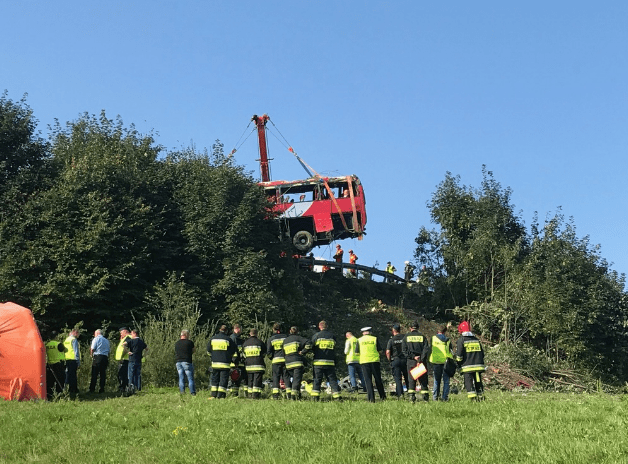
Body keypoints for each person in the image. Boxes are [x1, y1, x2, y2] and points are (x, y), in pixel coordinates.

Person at [311, 321, 342, 401]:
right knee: (332, 380)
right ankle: (337, 397)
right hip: (330, 362)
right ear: (327, 326)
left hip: (318, 362)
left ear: (319, 327)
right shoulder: (332, 336)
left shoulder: (316, 336)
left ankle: (315, 397)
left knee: (317, 379)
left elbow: (312, 347)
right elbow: (334, 347)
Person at [455, 321, 486, 401]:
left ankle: (473, 398)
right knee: (478, 381)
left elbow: (459, 355)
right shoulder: (476, 340)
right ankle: (481, 396)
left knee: (468, 381)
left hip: (467, 366)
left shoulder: (461, 340)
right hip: (478, 366)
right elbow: (482, 354)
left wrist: (458, 362)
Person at [355, 327, 386, 403]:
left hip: (364, 362)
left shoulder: (359, 340)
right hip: (374, 361)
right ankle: (383, 397)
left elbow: (356, 353)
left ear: (363, 333)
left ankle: (371, 399)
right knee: (378, 379)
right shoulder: (374, 339)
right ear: (370, 332)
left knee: (368, 380)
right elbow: (380, 351)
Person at [402, 320, 430, 403]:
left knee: (411, 380)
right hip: (421, 362)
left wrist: (413, 357)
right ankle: (425, 398)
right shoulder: (423, 337)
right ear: (418, 328)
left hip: (411, 361)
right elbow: (426, 349)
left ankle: (412, 398)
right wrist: (420, 358)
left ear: (410, 328)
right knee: (423, 380)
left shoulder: (406, 337)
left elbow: (404, 351)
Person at [207, 325, 238, 399]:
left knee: (215, 379)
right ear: (226, 331)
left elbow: (208, 351)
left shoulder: (213, 339)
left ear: (219, 329)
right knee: (223, 380)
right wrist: (232, 360)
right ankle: (220, 396)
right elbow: (234, 352)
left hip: (215, 364)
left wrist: (213, 357)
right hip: (225, 364)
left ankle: (213, 395)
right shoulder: (228, 339)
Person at [283, 326, 312, 400]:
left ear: (290, 331)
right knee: (296, 379)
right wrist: (303, 352)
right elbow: (309, 344)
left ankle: (290, 394)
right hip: (297, 362)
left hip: (288, 364)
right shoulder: (299, 338)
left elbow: (283, 353)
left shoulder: (285, 341)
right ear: (297, 331)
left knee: (290, 379)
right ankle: (294, 396)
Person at [429, 325, 454, 401]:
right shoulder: (448, 340)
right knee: (446, 381)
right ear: (444, 332)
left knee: (436, 380)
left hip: (436, 361)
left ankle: (435, 397)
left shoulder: (433, 338)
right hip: (446, 362)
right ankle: (444, 398)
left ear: (437, 331)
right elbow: (450, 350)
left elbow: (430, 349)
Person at [267, 322, 290, 399]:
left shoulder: (271, 339)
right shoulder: (286, 337)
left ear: (273, 329)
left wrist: (272, 358)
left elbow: (269, 352)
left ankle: (275, 395)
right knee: (286, 377)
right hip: (285, 360)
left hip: (276, 360)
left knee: (275, 377)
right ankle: (289, 394)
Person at [242, 328, 267, 399]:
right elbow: (264, 354)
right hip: (258, 365)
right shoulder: (260, 342)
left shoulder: (245, 343)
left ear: (250, 334)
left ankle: (249, 395)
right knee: (257, 380)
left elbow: (244, 355)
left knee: (250, 380)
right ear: (257, 334)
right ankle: (256, 396)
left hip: (248, 366)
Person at [386, 323, 408, 399]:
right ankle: (410, 392)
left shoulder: (391, 340)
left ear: (393, 331)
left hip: (396, 360)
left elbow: (388, 352)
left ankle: (400, 394)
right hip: (405, 360)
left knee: (398, 378)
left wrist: (390, 360)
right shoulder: (405, 338)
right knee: (407, 377)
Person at [175, 329, 196, 396]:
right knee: (190, 378)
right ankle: (192, 392)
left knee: (181, 378)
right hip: (187, 361)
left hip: (178, 362)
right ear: (186, 335)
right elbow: (194, 350)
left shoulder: (177, 343)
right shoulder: (190, 342)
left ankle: (182, 392)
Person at [45, 332, 66, 399]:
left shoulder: (47, 345)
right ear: (56, 337)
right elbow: (65, 350)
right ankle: (59, 395)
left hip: (50, 365)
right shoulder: (58, 344)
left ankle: (49, 395)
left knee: (50, 381)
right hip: (58, 364)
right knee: (60, 380)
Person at [89, 329, 110, 393]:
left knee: (94, 373)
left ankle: (92, 389)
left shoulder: (96, 339)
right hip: (105, 357)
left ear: (97, 333)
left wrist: (91, 355)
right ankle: (102, 389)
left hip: (97, 357)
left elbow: (92, 349)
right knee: (102, 374)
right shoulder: (106, 340)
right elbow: (109, 351)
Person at [230, 324, 247, 397]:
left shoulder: (238, 339)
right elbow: (234, 352)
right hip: (235, 363)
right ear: (237, 329)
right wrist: (235, 361)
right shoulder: (233, 338)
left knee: (239, 380)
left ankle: (237, 394)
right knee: (235, 380)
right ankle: (234, 394)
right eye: (240, 329)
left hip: (239, 363)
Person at [64, 329, 80, 394]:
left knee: (68, 375)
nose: (78, 335)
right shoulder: (74, 340)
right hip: (73, 359)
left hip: (67, 359)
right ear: (75, 333)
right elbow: (76, 351)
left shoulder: (66, 340)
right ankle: (74, 389)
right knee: (73, 376)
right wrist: (78, 361)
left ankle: (68, 389)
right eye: (78, 334)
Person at [115, 327, 132, 392]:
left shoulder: (128, 338)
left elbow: (125, 348)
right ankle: (125, 387)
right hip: (125, 359)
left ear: (125, 331)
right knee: (123, 374)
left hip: (125, 359)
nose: (121, 335)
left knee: (122, 374)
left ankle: (123, 388)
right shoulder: (126, 338)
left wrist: (122, 357)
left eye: (121, 333)